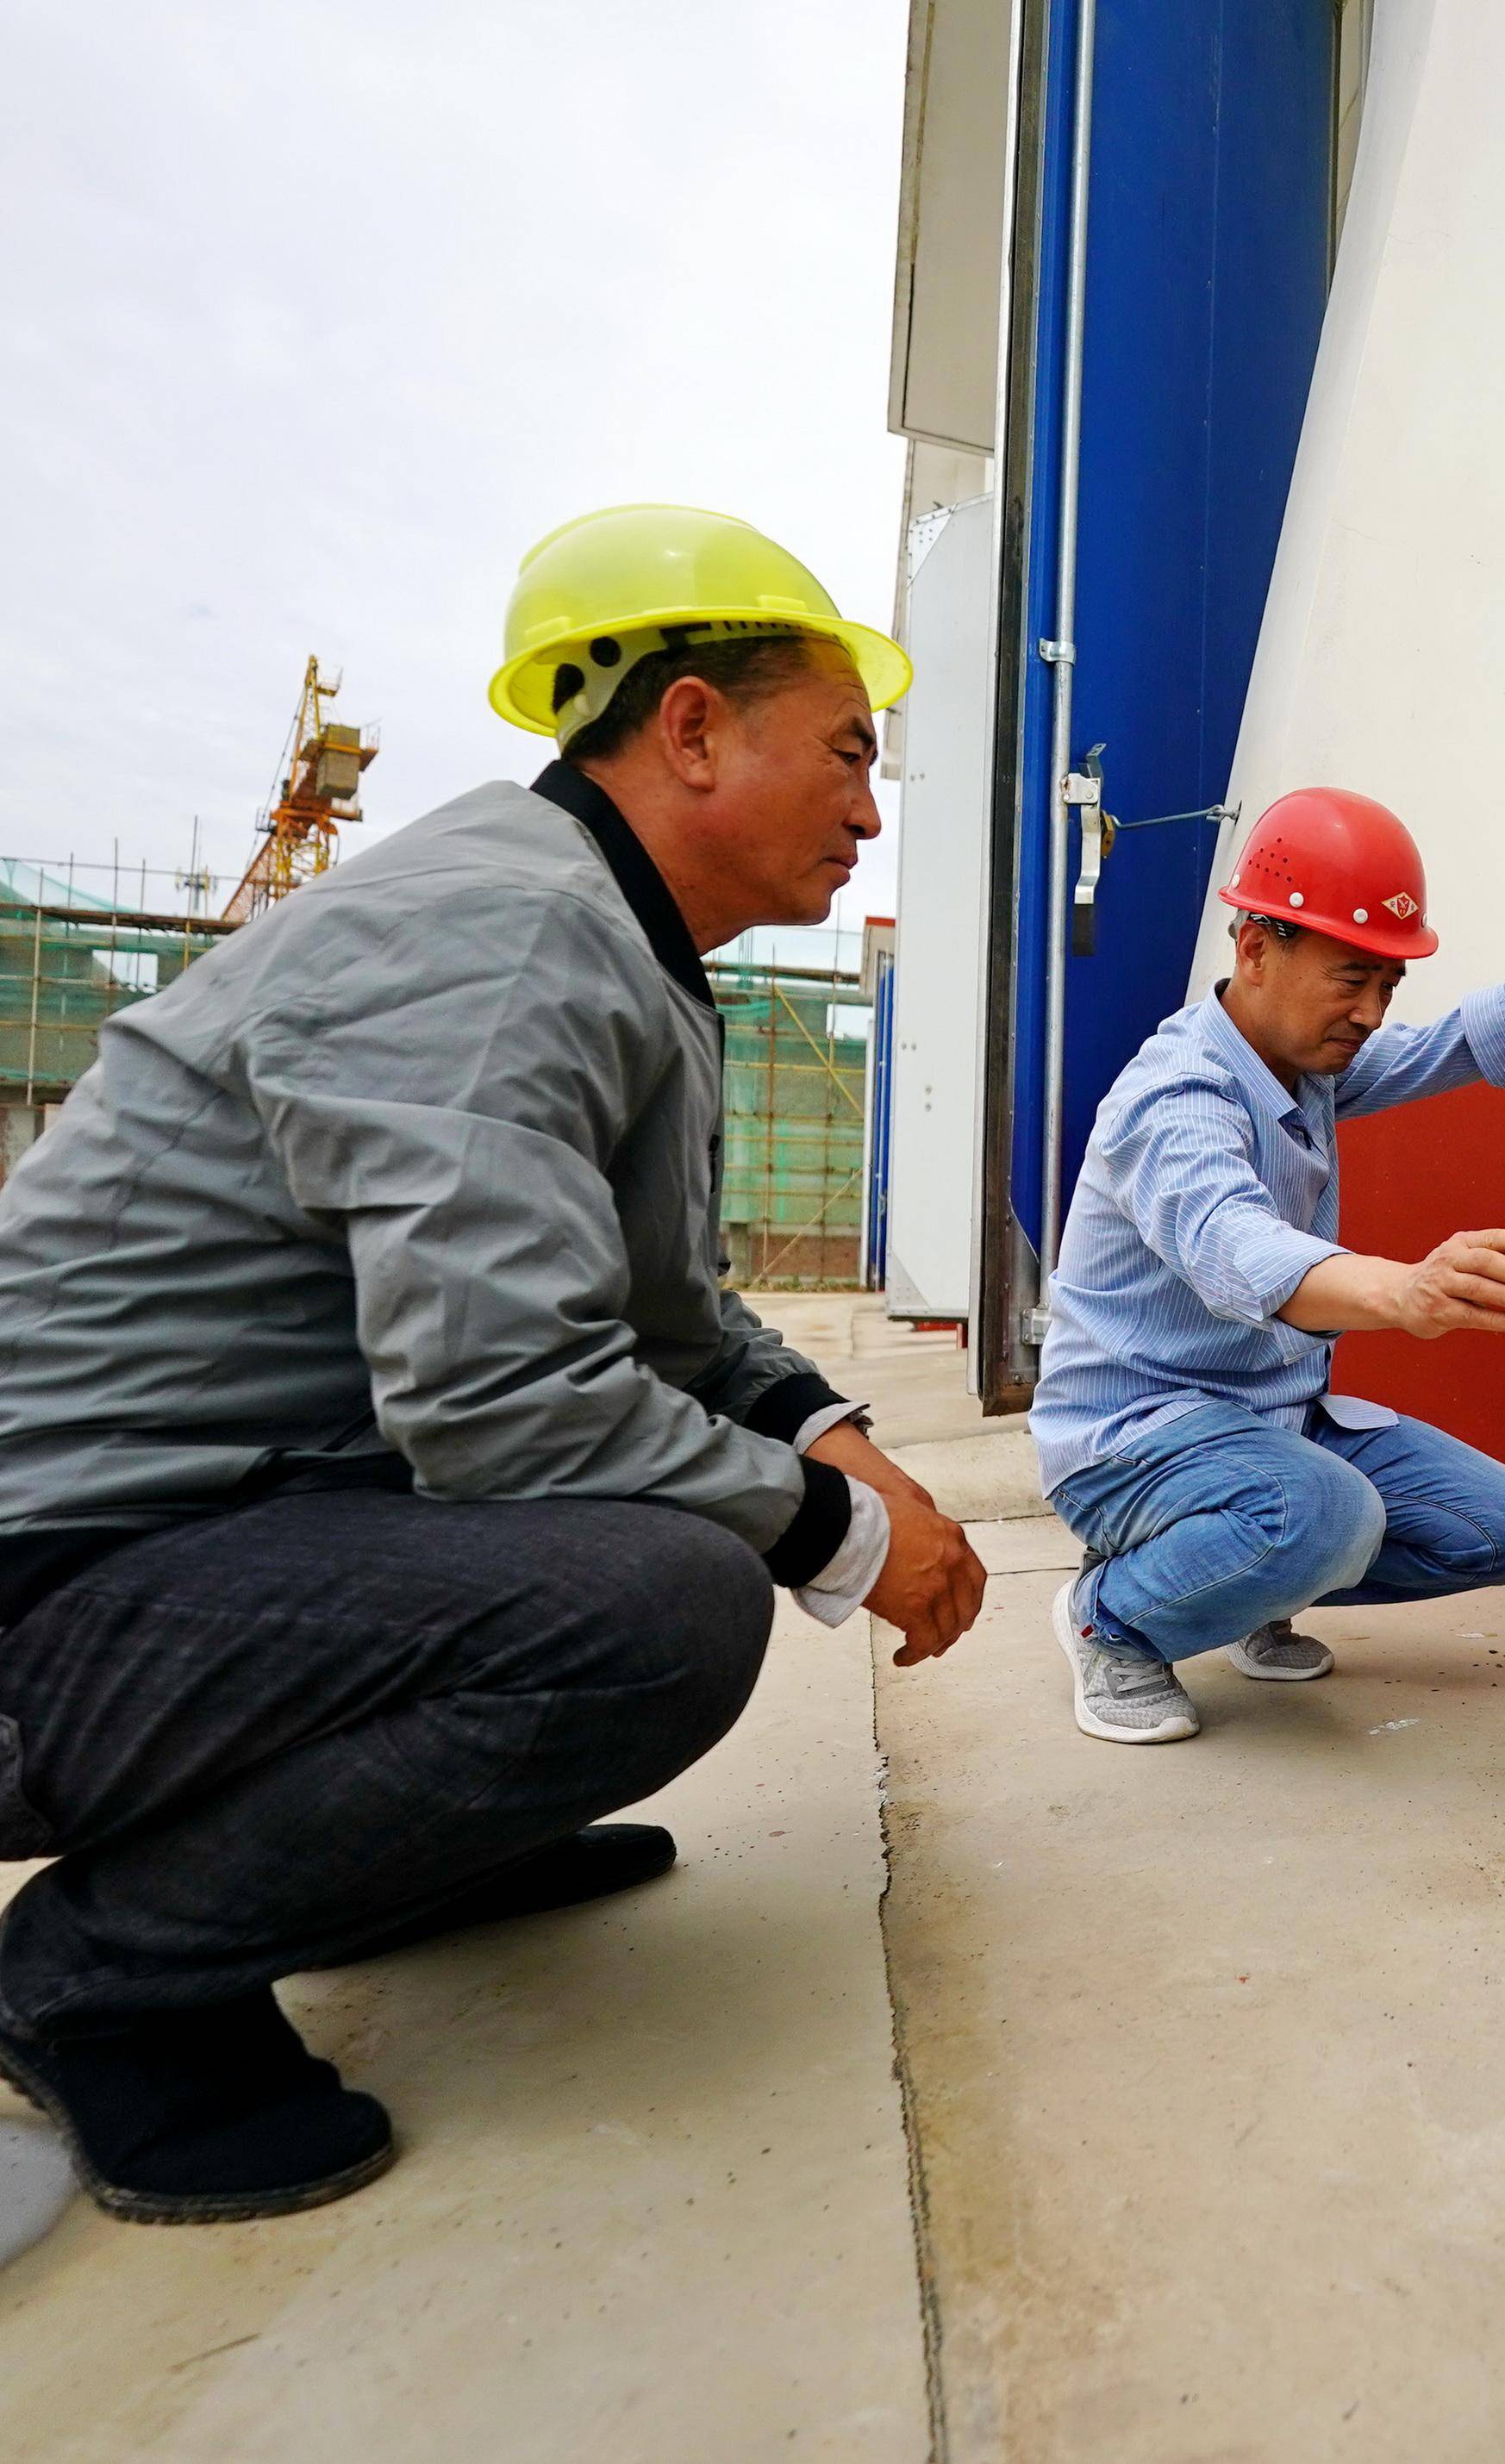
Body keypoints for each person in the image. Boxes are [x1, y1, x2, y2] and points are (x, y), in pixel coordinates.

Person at [0, 505, 988, 2224]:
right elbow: (499, 1400)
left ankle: (387, 1852)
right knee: (658, 1602)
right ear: (690, 727)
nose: (865, 807)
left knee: (671, 1536)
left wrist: (844, 1444)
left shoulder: (602, 939)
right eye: (843, 752)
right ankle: (102, 1975)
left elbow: (667, 1325)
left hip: (177, 1545)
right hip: (45, 1603)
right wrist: (829, 1533)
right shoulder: (503, 932)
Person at [1033, 788, 1505, 1744]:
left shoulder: (1302, 1058)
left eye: (1387, 987)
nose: (1370, 1013)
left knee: (1504, 1524)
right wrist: (1403, 1290)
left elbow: (1443, 1050)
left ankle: (1243, 1594)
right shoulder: (1177, 1094)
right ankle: (1111, 1620)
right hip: (1134, 1441)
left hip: (1269, 1420)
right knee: (1327, 1513)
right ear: (1253, 951)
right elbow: (1237, 1248)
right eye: (1350, 979)